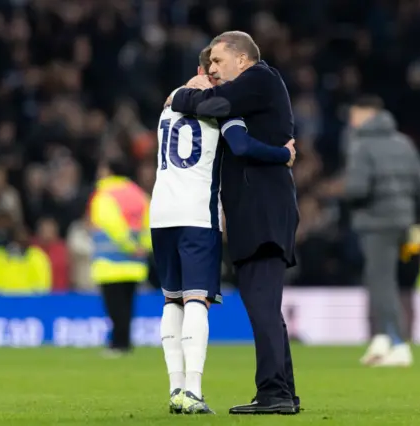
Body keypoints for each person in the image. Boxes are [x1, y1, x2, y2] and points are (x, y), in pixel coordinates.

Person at [153, 45, 295, 415]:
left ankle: (270, 392)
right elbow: (237, 137)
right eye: (210, 66)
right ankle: (273, 391)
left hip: (167, 212)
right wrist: (285, 153)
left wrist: (178, 95)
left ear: (242, 59)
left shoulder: (174, 110)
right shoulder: (222, 108)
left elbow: (220, 107)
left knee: (183, 300)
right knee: (242, 302)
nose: (215, 73)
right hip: (201, 216)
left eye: (219, 62)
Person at [341, 95, 420, 367]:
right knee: (385, 281)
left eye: (354, 116)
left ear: (366, 115)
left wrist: (344, 193)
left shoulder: (361, 145)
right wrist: (418, 222)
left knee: (381, 284)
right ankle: (381, 340)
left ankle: (399, 344)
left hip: (376, 223)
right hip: (404, 222)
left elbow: (358, 189)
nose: (351, 121)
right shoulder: (403, 143)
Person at [88, 158, 151, 356]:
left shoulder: (104, 195)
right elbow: (150, 223)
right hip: (135, 263)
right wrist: (144, 247)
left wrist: (129, 245)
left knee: (115, 307)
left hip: (110, 262)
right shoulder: (139, 195)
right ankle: (124, 342)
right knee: (127, 306)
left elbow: (112, 225)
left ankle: (118, 344)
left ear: (108, 171)